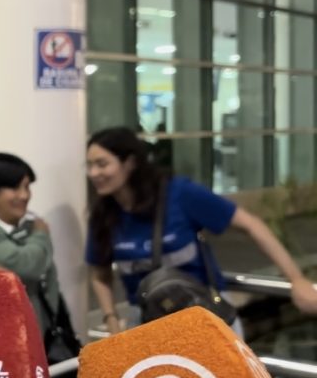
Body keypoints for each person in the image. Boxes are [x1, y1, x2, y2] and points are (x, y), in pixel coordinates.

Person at [85, 126, 317, 335]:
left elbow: (252, 225)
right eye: (90, 165)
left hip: (204, 315)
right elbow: (100, 274)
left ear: (130, 163)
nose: (93, 173)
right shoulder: (103, 215)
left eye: (102, 164)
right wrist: (111, 320)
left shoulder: (179, 194)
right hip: (148, 323)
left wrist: (296, 279)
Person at [0, 153, 68, 344]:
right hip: (1, 340)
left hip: (39, 335)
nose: (24, 195)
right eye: (14, 188)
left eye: (27, 187)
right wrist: (41, 234)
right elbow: (27, 266)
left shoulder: (28, 226)